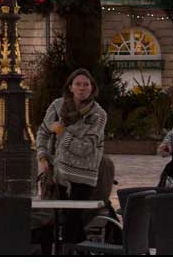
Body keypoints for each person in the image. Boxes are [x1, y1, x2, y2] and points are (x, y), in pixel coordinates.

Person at [35, 68, 107, 251]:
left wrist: (63, 133)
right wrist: (42, 157)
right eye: (78, 84)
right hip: (55, 176)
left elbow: (85, 148)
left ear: (92, 88)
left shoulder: (98, 115)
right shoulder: (57, 107)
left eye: (86, 85)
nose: (82, 88)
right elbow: (43, 133)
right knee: (47, 223)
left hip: (82, 177)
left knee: (72, 225)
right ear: (70, 87)